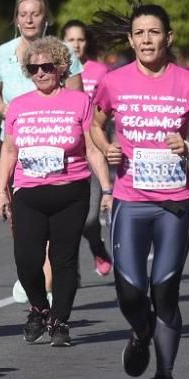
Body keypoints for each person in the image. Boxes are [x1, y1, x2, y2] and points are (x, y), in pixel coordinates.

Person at [89, 0, 189, 379]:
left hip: (176, 206)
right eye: (140, 33)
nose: (147, 39)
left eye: (154, 32)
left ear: (169, 37)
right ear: (130, 40)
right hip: (130, 201)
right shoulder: (114, 81)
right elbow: (94, 124)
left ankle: (165, 376)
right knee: (129, 291)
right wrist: (107, 146)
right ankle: (141, 332)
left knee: (164, 290)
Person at [0, 36, 112, 347]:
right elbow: (9, 151)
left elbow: (93, 150)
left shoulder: (79, 101)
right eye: (34, 68)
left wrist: (108, 189)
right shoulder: (18, 107)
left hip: (70, 192)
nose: (41, 73)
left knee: (64, 259)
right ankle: (38, 308)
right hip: (29, 193)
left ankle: (59, 321)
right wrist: (0, 191)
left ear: (60, 68)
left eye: (47, 67)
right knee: (26, 259)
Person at [0, 0, 84, 302]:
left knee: (54, 219)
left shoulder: (64, 52)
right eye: (23, 13)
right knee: (22, 217)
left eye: (35, 13)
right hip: (17, 144)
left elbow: (80, 102)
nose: (29, 19)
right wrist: (4, 109)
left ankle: (49, 280)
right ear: (16, 19)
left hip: (57, 149)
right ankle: (33, 268)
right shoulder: (4, 53)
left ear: (46, 18)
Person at [61, 19, 113, 276]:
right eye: (70, 40)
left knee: (90, 217)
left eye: (80, 39)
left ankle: (97, 245)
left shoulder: (100, 71)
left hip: (92, 149)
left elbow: (108, 110)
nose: (76, 44)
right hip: (64, 152)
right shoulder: (54, 70)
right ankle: (67, 270)